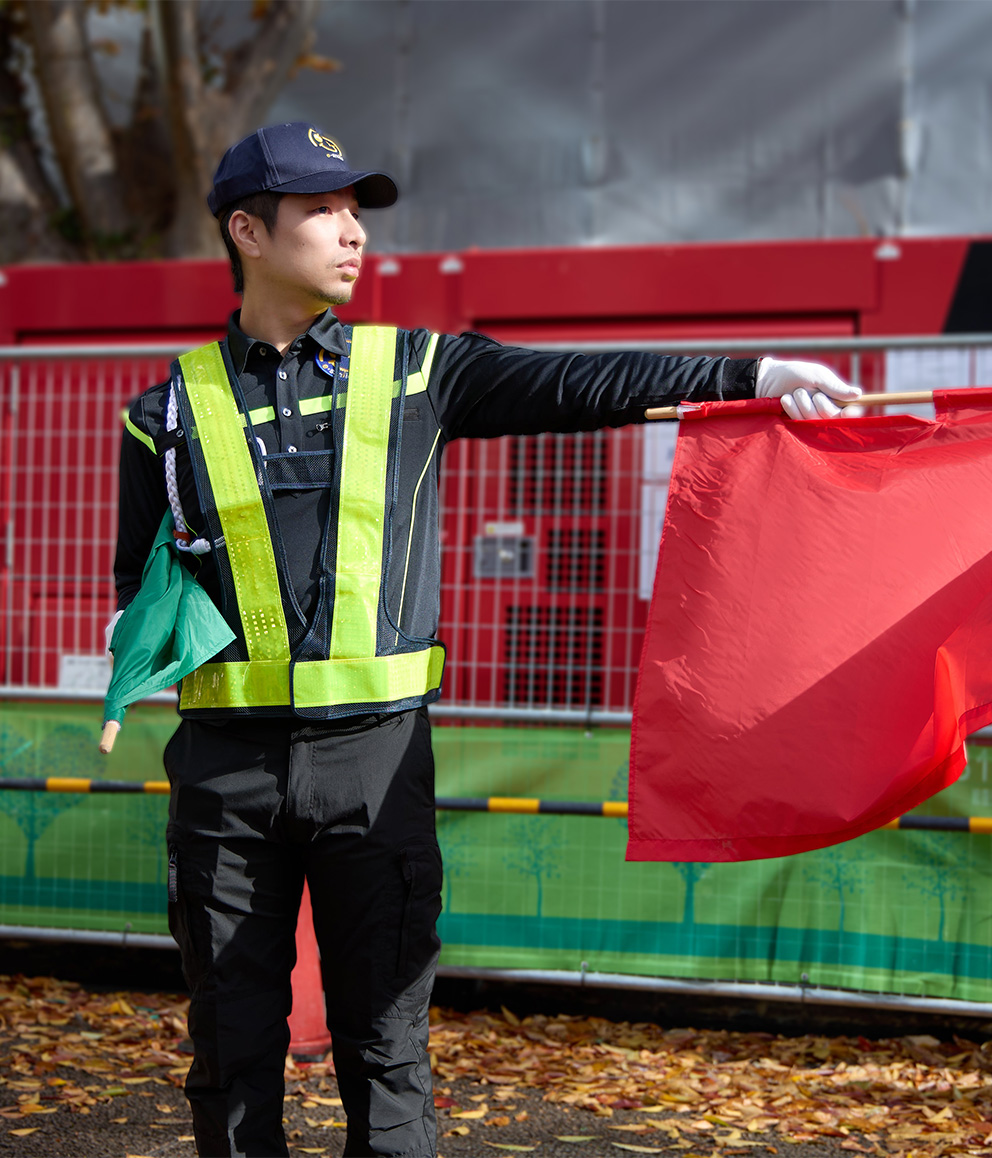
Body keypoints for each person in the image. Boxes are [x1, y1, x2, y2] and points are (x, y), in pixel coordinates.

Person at [111, 121, 862, 1158]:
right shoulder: (164, 414)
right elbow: (134, 589)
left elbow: (575, 385)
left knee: (386, 1052)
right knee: (231, 1052)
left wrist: (755, 371)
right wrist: (141, 628)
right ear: (246, 229)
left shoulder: (419, 371)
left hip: (374, 765)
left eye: (356, 212)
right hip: (221, 780)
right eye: (322, 211)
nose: (352, 234)